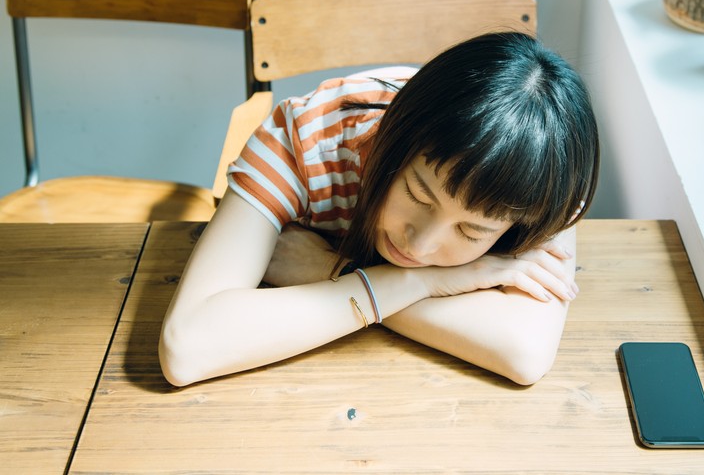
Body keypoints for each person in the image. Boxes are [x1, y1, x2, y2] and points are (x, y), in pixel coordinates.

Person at [159, 32, 600, 387]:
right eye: (418, 195)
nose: (422, 244)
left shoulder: (543, 177)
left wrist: (327, 268)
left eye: (471, 232)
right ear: (391, 141)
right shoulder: (302, 139)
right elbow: (187, 347)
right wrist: (427, 281)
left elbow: (523, 353)